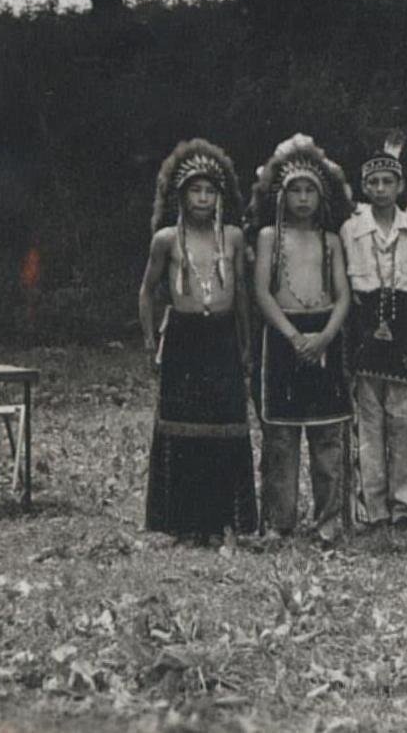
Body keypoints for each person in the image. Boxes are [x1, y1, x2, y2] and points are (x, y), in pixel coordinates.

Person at [138, 139, 258, 539]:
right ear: (181, 195)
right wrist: (149, 341)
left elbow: (240, 293)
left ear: (220, 196)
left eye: (210, 190)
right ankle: (183, 523)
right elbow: (146, 291)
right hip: (184, 338)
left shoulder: (234, 237)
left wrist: (245, 344)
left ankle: (222, 520)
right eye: (196, 190)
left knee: (223, 425)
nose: (203, 198)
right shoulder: (167, 239)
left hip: (222, 335)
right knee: (183, 426)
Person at [250, 134, 353, 542]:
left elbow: (343, 294)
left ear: (322, 196)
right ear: (281, 196)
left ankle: (329, 520)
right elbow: (261, 291)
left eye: (311, 190)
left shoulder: (330, 242)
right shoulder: (268, 239)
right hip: (282, 336)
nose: (304, 199)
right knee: (281, 436)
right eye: (296, 191)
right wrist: (293, 335)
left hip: (325, 332)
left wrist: (326, 335)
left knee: (328, 435)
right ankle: (281, 521)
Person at [341, 139, 407, 529]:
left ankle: (405, 504)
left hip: (404, 322)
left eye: (387, 182)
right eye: (372, 182)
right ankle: (374, 505)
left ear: (400, 186)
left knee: (406, 418)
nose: (380, 189)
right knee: (370, 418)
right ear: (364, 187)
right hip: (365, 320)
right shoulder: (351, 229)